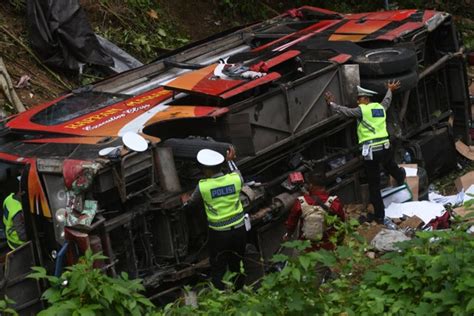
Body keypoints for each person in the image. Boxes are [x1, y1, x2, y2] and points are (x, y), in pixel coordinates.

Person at [324, 81, 406, 224]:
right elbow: (387, 100)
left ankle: (379, 216)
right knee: (390, 164)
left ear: (366, 99)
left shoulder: (362, 110)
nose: (357, 101)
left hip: (372, 151)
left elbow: (345, 111)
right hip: (385, 147)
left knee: (374, 185)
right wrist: (390, 90)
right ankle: (400, 176)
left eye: (360, 98)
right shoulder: (380, 108)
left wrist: (331, 104)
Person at [184, 147, 246, 290]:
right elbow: (238, 174)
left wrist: (184, 201)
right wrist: (230, 161)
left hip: (219, 234)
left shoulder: (203, 186)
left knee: (218, 267)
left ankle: (220, 296)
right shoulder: (235, 179)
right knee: (237, 263)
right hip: (239, 229)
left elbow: (191, 203)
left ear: (207, 171)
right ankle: (240, 292)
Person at [283, 171, 345, 251]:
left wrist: (288, 234)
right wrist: (339, 241)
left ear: (311, 185)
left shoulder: (301, 202)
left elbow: (291, 223)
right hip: (327, 248)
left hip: (306, 247)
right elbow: (342, 223)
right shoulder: (334, 202)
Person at [2, 178, 26, 250]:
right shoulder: (17, 211)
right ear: (19, 192)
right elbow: (22, 236)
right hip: (18, 244)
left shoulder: (8, 198)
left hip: (9, 237)